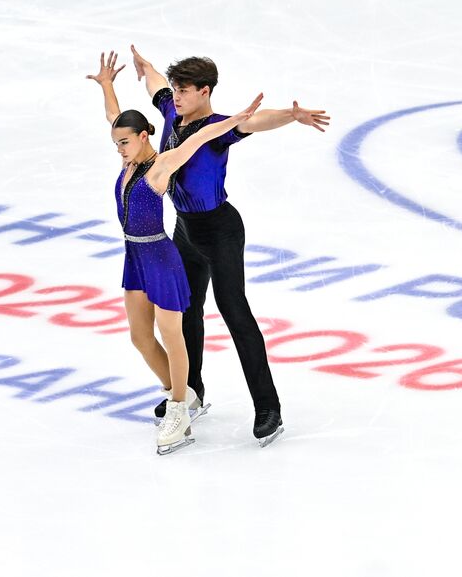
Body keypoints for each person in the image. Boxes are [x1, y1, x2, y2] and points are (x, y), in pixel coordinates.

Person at [130, 45, 329, 448]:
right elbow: (155, 87)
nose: (177, 95)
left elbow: (256, 120)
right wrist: (147, 67)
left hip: (220, 231)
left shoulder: (219, 128)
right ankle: (192, 391)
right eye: (175, 89)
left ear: (204, 91)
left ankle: (267, 407)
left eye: (184, 90)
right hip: (184, 228)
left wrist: (291, 115)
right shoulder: (172, 111)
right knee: (185, 310)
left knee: (234, 312)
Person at [87, 51, 263, 454]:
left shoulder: (161, 166)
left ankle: (180, 408)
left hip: (163, 259)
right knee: (139, 337)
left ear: (144, 137)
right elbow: (115, 117)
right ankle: (180, 394)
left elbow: (201, 137)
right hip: (134, 257)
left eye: (124, 142)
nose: (119, 150)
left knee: (173, 333)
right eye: (117, 143)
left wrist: (234, 121)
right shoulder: (129, 156)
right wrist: (107, 85)